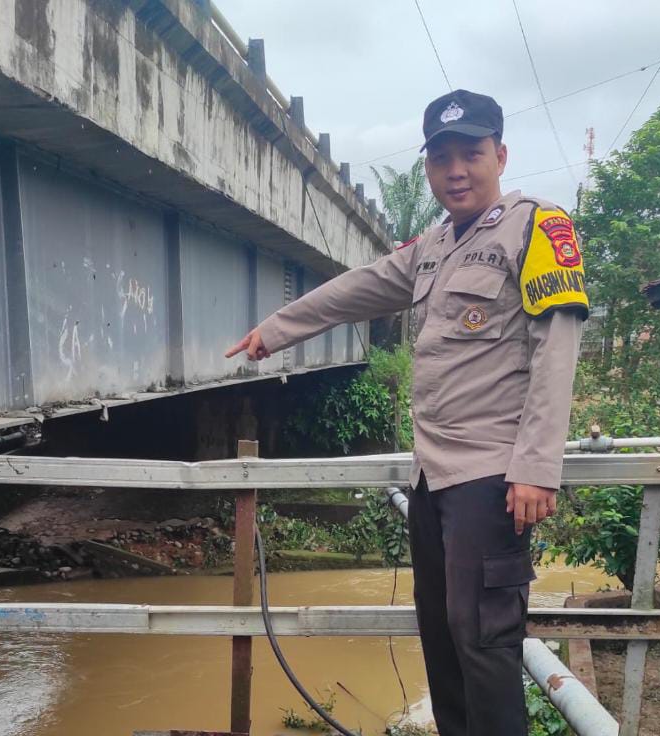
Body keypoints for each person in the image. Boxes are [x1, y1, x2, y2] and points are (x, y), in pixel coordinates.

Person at [225, 89, 588, 736]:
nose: (456, 170)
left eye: (471, 154)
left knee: (485, 644)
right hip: (432, 479)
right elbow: (358, 287)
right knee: (443, 639)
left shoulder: (538, 227)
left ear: (499, 155)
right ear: (427, 167)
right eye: (441, 157)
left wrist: (537, 467)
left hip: (491, 480)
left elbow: (556, 347)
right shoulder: (432, 246)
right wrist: (277, 329)